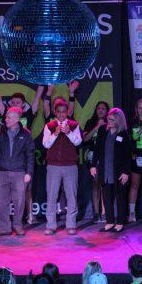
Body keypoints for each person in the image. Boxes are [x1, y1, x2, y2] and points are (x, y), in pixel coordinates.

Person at [0, 106, 35, 237]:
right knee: (2, 201)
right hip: (2, 172)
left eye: (9, 117)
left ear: (17, 119)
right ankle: (4, 227)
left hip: (19, 173)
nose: (6, 119)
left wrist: (29, 172)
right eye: (6, 116)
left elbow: (30, 155)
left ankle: (18, 225)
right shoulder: (1, 132)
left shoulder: (26, 134)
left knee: (19, 201)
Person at [42, 97, 83, 236]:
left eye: (63, 112)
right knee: (52, 196)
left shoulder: (74, 125)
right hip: (53, 166)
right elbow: (45, 144)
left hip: (70, 166)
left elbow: (78, 142)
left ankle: (71, 225)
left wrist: (68, 132)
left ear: (67, 112)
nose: (61, 114)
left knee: (71, 196)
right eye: (58, 112)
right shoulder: (49, 126)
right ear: (55, 112)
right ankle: (51, 225)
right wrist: (55, 133)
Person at [90, 107, 132, 232]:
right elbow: (97, 149)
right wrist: (93, 165)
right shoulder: (103, 130)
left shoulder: (123, 134)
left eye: (112, 120)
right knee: (107, 197)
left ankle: (120, 222)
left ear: (119, 121)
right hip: (105, 170)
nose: (109, 121)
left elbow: (127, 155)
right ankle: (109, 221)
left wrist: (126, 172)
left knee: (120, 197)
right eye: (108, 119)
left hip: (119, 172)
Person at [80, 100, 111, 222]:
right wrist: (97, 127)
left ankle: (105, 212)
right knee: (96, 183)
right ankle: (96, 213)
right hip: (93, 157)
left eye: (103, 108)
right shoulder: (90, 122)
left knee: (106, 184)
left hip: (107, 157)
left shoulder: (110, 122)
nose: (101, 110)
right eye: (99, 108)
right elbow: (85, 139)